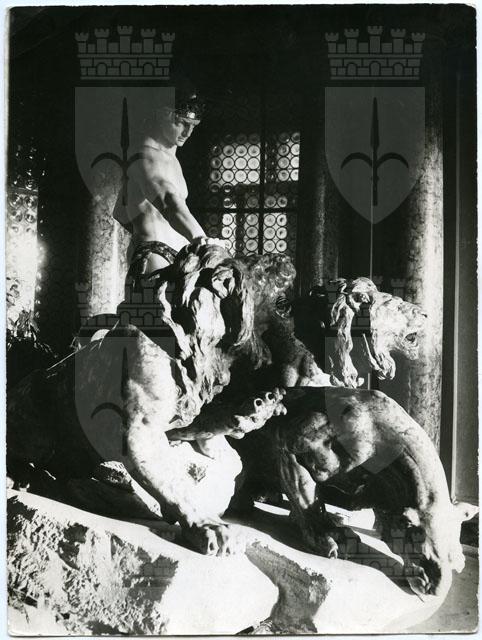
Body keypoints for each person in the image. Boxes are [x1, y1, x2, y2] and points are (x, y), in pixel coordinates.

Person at [113, 88, 209, 285]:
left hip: (175, 260)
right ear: (162, 115)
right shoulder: (145, 155)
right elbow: (169, 201)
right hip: (156, 259)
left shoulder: (171, 158)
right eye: (182, 123)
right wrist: (201, 238)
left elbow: (119, 213)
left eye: (193, 125)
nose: (188, 132)